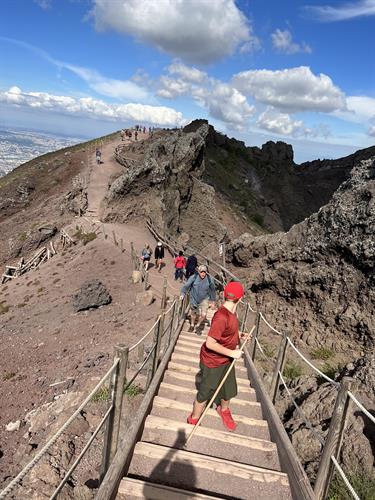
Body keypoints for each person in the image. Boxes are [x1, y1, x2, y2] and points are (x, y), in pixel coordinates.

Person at [187, 281, 248, 431]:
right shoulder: (221, 316)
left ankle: (224, 410)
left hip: (226, 359)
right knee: (206, 390)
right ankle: (193, 418)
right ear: (240, 298)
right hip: (213, 361)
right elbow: (210, 343)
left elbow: (227, 332)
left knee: (229, 387)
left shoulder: (232, 314)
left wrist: (239, 336)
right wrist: (233, 353)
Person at [181, 264, 216, 334]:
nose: (203, 274)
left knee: (203, 315)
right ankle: (192, 324)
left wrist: (213, 301)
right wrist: (183, 293)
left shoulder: (209, 279)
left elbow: (212, 290)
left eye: (204, 272)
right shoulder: (193, 277)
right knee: (193, 313)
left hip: (204, 299)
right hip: (194, 298)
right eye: (201, 272)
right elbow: (186, 286)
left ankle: (197, 325)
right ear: (198, 271)